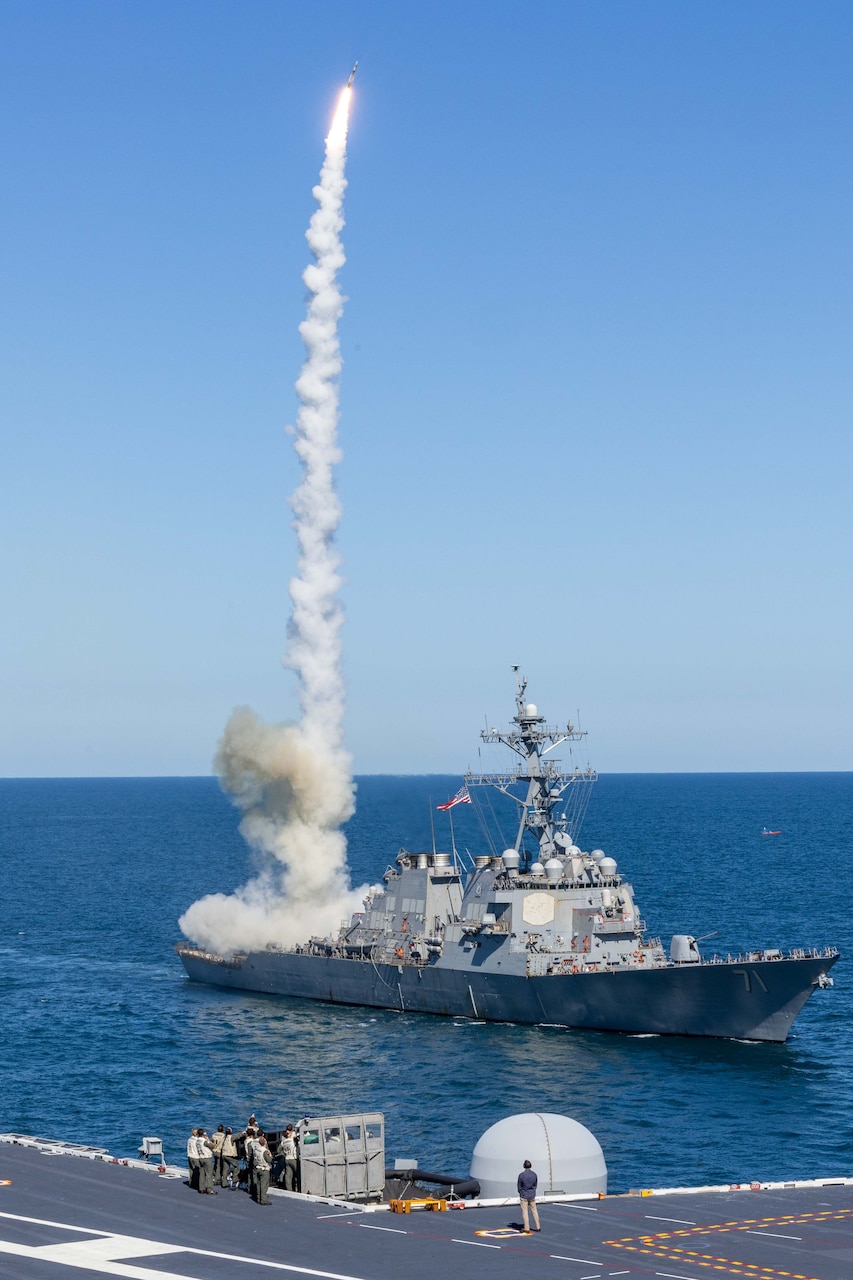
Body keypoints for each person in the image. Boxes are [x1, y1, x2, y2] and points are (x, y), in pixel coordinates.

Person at [517, 1159, 540, 1232]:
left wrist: (521, 1192)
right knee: (534, 1210)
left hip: (524, 1194)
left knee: (525, 1211)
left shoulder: (521, 1175)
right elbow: (535, 1184)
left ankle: (527, 1228)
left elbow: (519, 1186)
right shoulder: (534, 1174)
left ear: (524, 1166)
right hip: (532, 1194)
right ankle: (538, 1227)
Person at [276, 1125, 298, 1192]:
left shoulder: (284, 1141)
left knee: (288, 1176)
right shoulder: (293, 1139)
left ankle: (289, 1190)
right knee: (297, 1174)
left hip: (287, 1159)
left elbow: (278, 1150)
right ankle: (297, 1188)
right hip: (294, 1158)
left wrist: (284, 1153)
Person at [254, 1135, 273, 1205]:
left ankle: (259, 1198)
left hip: (258, 1167)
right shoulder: (265, 1151)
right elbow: (269, 1160)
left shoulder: (257, 1150)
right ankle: (263, 1200)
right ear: (265, 1142)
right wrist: (270, 1155)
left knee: (258, 1184)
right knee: (264, 1185)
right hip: (264, 1169)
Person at [196, 1129, 216, 1195]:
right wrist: (208, 1140)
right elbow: (212, 1146)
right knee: (209, 1174)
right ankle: (210, 1189)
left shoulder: (197, 1140)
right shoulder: (204, 1141)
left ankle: (201, 1188)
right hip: (207, 1158)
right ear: (203, 1134)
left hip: (201, 1157)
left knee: (202, 1173)